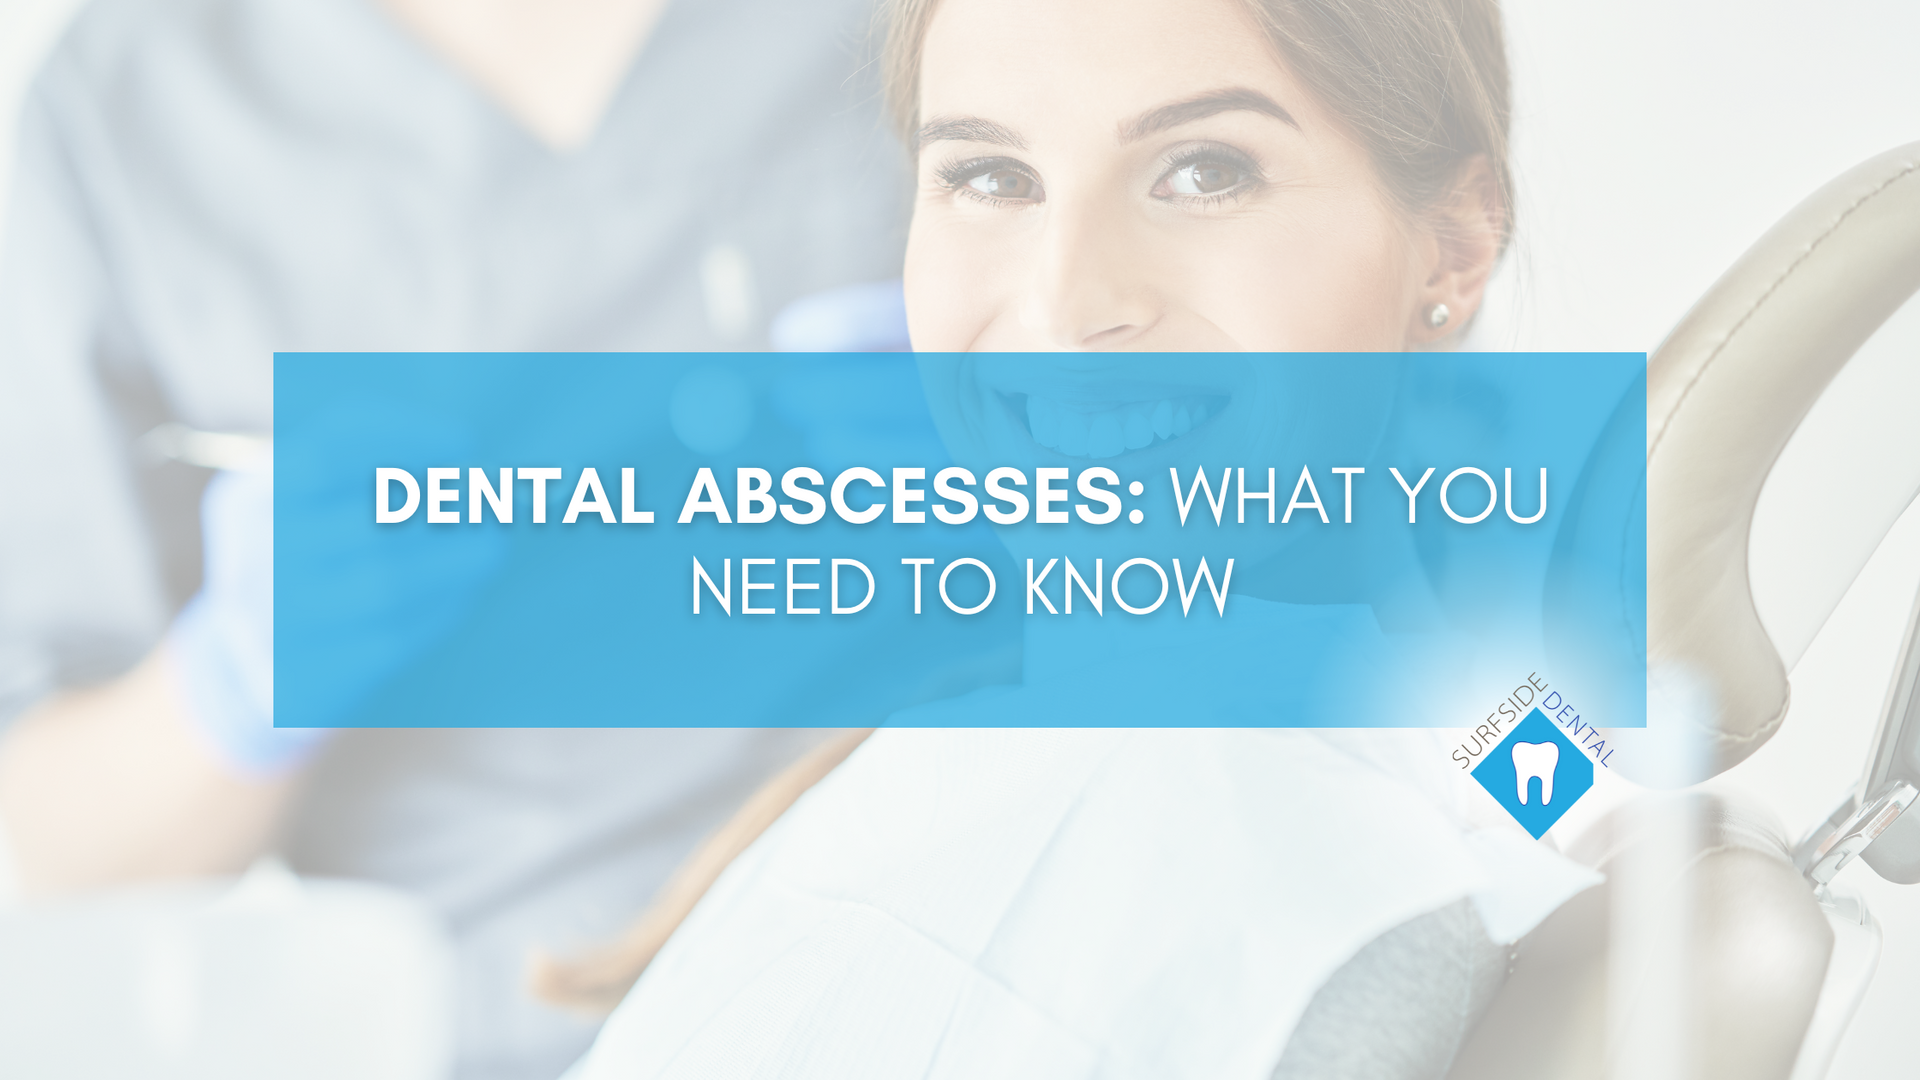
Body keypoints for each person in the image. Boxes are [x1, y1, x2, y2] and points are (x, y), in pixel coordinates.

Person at [555, 0, 1835, 1076]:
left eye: (1206, 170)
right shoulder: (1404, 691)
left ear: (1455, 242)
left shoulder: (1150, 810)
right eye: (988, 175)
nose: (1064, 306)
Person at [0, 0, 920, 1076]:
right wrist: (235, 682)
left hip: (982, 935)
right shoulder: (131, 106)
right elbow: (47, 850)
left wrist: (1045, 480)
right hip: (525, 1024)